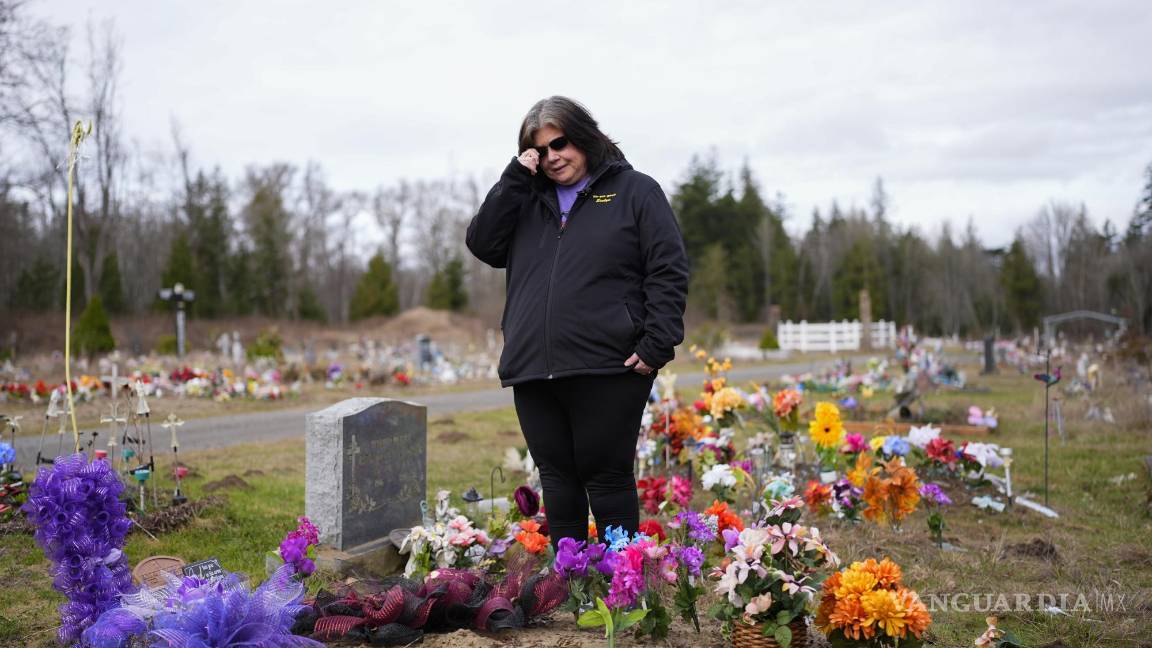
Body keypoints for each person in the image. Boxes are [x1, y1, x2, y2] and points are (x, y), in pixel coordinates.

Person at [466, 96, 689, 546]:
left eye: (560, 143)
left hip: (610, 363)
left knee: (606, 476)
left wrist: (655, 344)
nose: (552, 157)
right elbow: (483, 243)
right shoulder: (525, 198)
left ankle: (620, 587)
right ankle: (571, 583)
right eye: (539, 149)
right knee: (557, 478)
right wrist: (514, 176)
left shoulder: (635, 192)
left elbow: (668, 270)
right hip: (534, 365)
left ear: (584, 137)